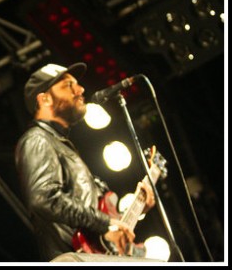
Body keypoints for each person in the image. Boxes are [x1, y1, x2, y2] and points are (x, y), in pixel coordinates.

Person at [14, 62, 155, 261]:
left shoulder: (61, 145)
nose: (80, 90)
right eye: (68, 85)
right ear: (44, 99)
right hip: (74, 258)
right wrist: (106, 223)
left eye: (77, 84)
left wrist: (136, 209)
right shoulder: (37, 139)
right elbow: (43, 198)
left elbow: (91, 216)